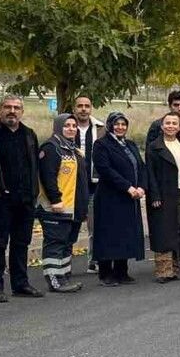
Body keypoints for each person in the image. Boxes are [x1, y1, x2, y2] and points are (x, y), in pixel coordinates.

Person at [0, 95, 42, 301]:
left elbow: (34, 166)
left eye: (16, 107)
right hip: (0, 199)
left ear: (22, 112)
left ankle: (20, 284)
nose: (12, 111)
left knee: (21, 243)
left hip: (25, 199)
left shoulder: (29, 134)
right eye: (7, 107)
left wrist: (34, 193)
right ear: (0, 110)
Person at [35, 114, 89, 294]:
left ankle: (64, 276)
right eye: (67, 125)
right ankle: (54, 280)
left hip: (72, 208)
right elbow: (47, 177)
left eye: (74, 125)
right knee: (55, 244)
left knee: (67, 243)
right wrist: (55, 200)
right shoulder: (51, 148)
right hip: (56, 207)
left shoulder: (73, 149)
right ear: (58, 127)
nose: (71, 128)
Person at [91, 113, 145, 286]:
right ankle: (106, 273)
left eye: (123, 124)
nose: (120, 127)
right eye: (116, 124)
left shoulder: (130, 144)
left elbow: (140, 167)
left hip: (131, 197)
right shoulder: (101, 145)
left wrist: (142, 187)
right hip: (110, 197)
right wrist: (127, 187)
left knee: (125, 233)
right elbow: (105, 170)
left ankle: (122, 271)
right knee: (109, 234)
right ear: (109, 125)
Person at [147, 112, 180, 284]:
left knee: (178, 229)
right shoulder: (154, 146)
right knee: (163, 231)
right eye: (167, 123)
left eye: (174, 123)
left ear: (179, 127)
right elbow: (150, 173)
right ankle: (163, 270)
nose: (171, 126)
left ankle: (174, 267)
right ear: (161, 125)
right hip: (163, 194)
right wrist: (154, 195)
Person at [71, 95, 105, 271]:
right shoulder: (66, 126)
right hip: (71, 185)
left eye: (87, 106)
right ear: (74, 108)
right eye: (80, 106)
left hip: (94, 183)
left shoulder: (100, 128)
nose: (83, 109)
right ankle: (65, 263)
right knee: (71, 226)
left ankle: (94, 260)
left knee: (95, 225)